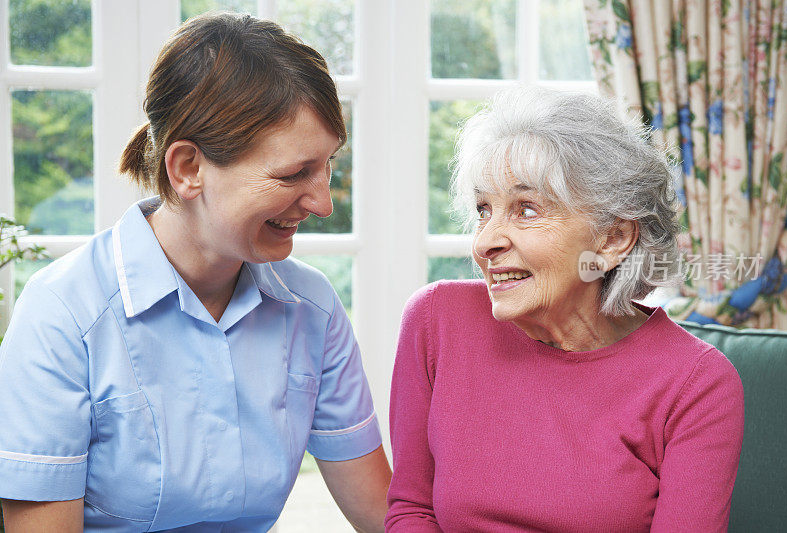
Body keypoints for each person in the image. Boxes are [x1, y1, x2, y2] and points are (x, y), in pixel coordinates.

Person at [0, 12, 390, 532]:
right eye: (294, 173)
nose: (323, 203)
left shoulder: (312, 309)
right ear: (188, 168)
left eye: (328, 167)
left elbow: (385, 516)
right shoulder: (64, 314)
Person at [385, 86, 744, 532]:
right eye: (483, 210)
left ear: (612, 239)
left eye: (527, 209)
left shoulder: (697, 382)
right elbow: (411, 511)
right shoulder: (437, 319)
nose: (484, 242)